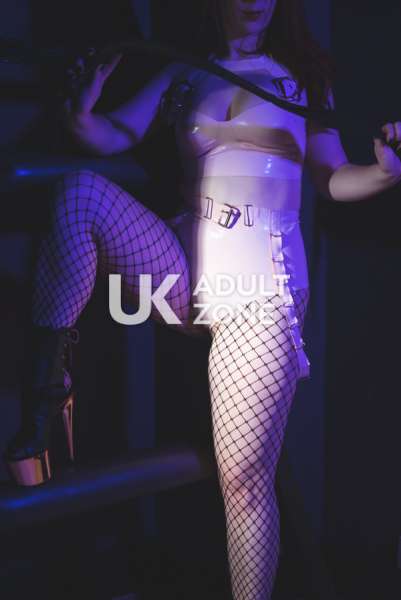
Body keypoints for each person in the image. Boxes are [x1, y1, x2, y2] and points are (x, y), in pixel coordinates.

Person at [4, 0, 401, 598]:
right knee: (81, 193)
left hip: (259, 289)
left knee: (242, 480)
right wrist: (80, 111)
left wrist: (384, 173)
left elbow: (332, 177)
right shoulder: (182, 70)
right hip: (185, 270)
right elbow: (111, 134)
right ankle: (44, 400)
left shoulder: (304, 78)